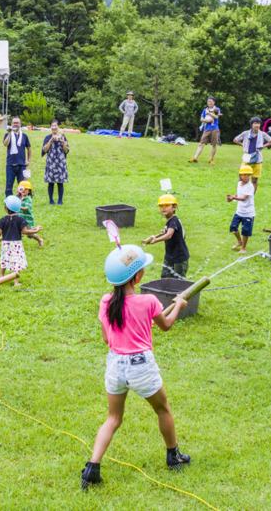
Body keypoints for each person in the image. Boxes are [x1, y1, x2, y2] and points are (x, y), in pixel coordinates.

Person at [81, 244, 189, 490]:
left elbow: (108, 339)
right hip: (141, 366)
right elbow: (166, 326)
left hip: (115, 366)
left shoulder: (106, 301)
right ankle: (174, 457)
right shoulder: (149, 300)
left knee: (113, 418)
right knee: (163, 410)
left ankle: (91, 469)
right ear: (138, 277)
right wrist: (179, 305)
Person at [0, 196, 42, 287]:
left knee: (4, 259)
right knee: (16, 262)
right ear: (18, 209)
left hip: (6, 244)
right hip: (16, 245)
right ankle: (16, 282)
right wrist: (36, 230)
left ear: (6, 208)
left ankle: (1, 275)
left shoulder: (3, 219)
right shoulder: (20, 220)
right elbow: (25, 232)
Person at [142, 195, 189, 279]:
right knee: (165, 277)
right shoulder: (170, 221)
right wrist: (165, 231)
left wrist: (156, 239)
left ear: (174, 207)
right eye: (161, 206)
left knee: (179, 280)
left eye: (167, 205)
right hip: (170, 256)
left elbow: (169, 235)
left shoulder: (173, 221)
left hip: (179, 257)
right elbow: (172, 232)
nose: (163, 208)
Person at [233, 117, 271, 195]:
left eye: (258, 123)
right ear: (251, 125)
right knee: (241, 177)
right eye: (255, 123)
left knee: (254, 179)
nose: (257, 125)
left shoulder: (262, 134)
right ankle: (239, 194)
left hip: (257, 159)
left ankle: (251, 196)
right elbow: (235, 140)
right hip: (247, 158)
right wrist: (243, 145)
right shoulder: (246, 133)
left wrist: (263, 146)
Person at [226, 166, 255, 254]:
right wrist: (232, 198)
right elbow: (238, 193)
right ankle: (239, 241)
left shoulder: (250, 186)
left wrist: (234, 198)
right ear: (240, 175)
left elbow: (244, 198)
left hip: (248, 213)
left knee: (245, 231)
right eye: (244, 175)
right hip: (239, 211)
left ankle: (243, 248)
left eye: (248, 175)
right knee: (233, 227)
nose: (246, 176)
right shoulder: (239, 184)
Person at [42, 119, 69, 205]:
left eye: (55, 126)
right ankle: (51, 200)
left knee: (60, 182)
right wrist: (50, 141)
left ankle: (60, 200)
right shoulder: (47, 137)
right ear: (50, 127)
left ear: (58, 127)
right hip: (51, 162)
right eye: (52, 126)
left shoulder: (62, 137)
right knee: (51, 182)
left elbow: (66, 150)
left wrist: (63, 142)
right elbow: (45, 150)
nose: (54, 127)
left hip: (60, 162)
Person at [3, 117, 31, 197]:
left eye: (17, 123)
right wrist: (9, 133)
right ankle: (9, 202)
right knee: (9, 186)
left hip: (21, 164)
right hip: (10, 164)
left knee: (22, 185)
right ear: (11, 124)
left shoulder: (24, 136)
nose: (15, 124)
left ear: (20, 124)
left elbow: (29, 147)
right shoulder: (7, 134)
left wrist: (29, 160)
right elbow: (5, 144)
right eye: (14, 123)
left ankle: (21, 200)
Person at [189, 96, 221, 164]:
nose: (209, 102)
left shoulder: (217, 109)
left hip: (215, 128)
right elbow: (201, 119)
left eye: (211, 101)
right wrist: (208, 121)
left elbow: (216, 117)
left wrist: (209, 113)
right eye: (208, 101)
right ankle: (195, 158)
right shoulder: (205, 110)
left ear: (214, 102)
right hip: (206, 129)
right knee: (201, 144)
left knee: (214, 144)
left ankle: (211, 159)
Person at [17, 180, 44, 247]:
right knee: (18, 233)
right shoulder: (19, 198)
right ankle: (18, 245)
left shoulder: (28, 199)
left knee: (30, 235)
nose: (23, 191)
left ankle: (40, 240)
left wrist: (19, 207)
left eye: (26, 189)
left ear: (29, 191)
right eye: (22, 189)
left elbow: (27, 208)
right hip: (20, 220)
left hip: (27, 221)